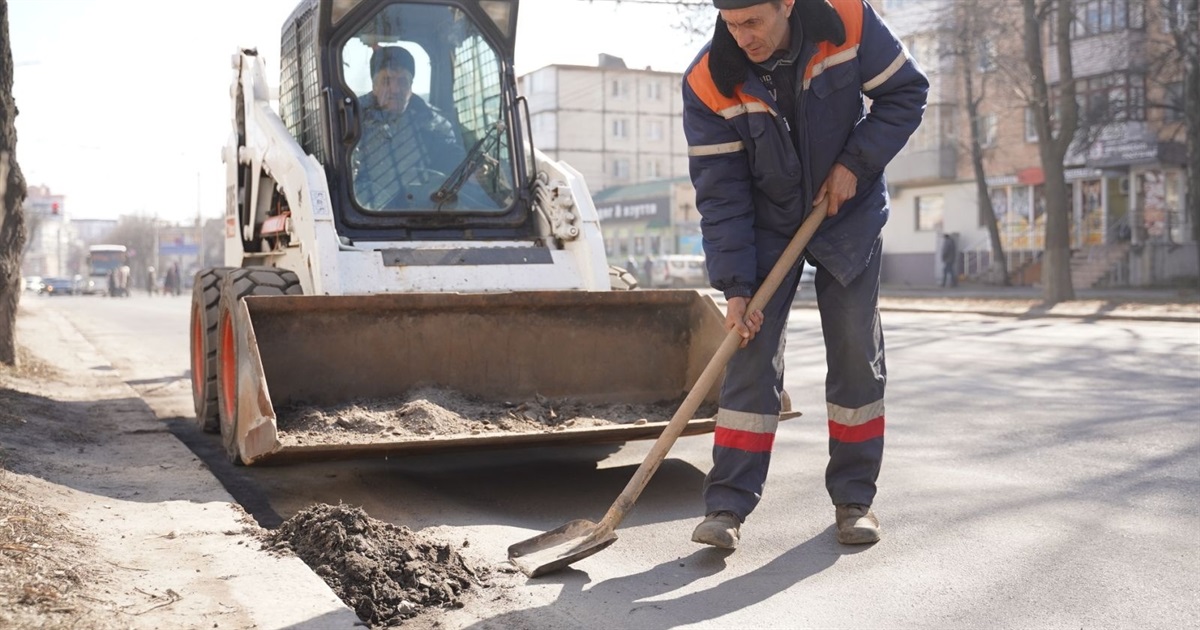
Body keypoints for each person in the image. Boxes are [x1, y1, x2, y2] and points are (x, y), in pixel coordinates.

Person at [682, 0, 928, 548]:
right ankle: (726, 508)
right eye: (731, 25)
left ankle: (854, 499)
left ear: (786, 4)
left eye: (754, 22)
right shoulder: (708, 81)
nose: (743, 37)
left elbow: (905, 94)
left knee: (854, 351)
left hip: (846, 209)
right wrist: (737, 287)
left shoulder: (849, 22)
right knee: (749, 351)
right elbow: (720, 196)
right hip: (768, 225)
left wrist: (855, 165)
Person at [352, 46, 465, 210]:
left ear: (411, 86)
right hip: (367, 219)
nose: (395, 89)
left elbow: (453, 164)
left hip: (424, 216)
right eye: (386, 81)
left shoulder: (434, 124)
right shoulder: (350, 120)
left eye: (403, 81)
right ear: (374, 85)